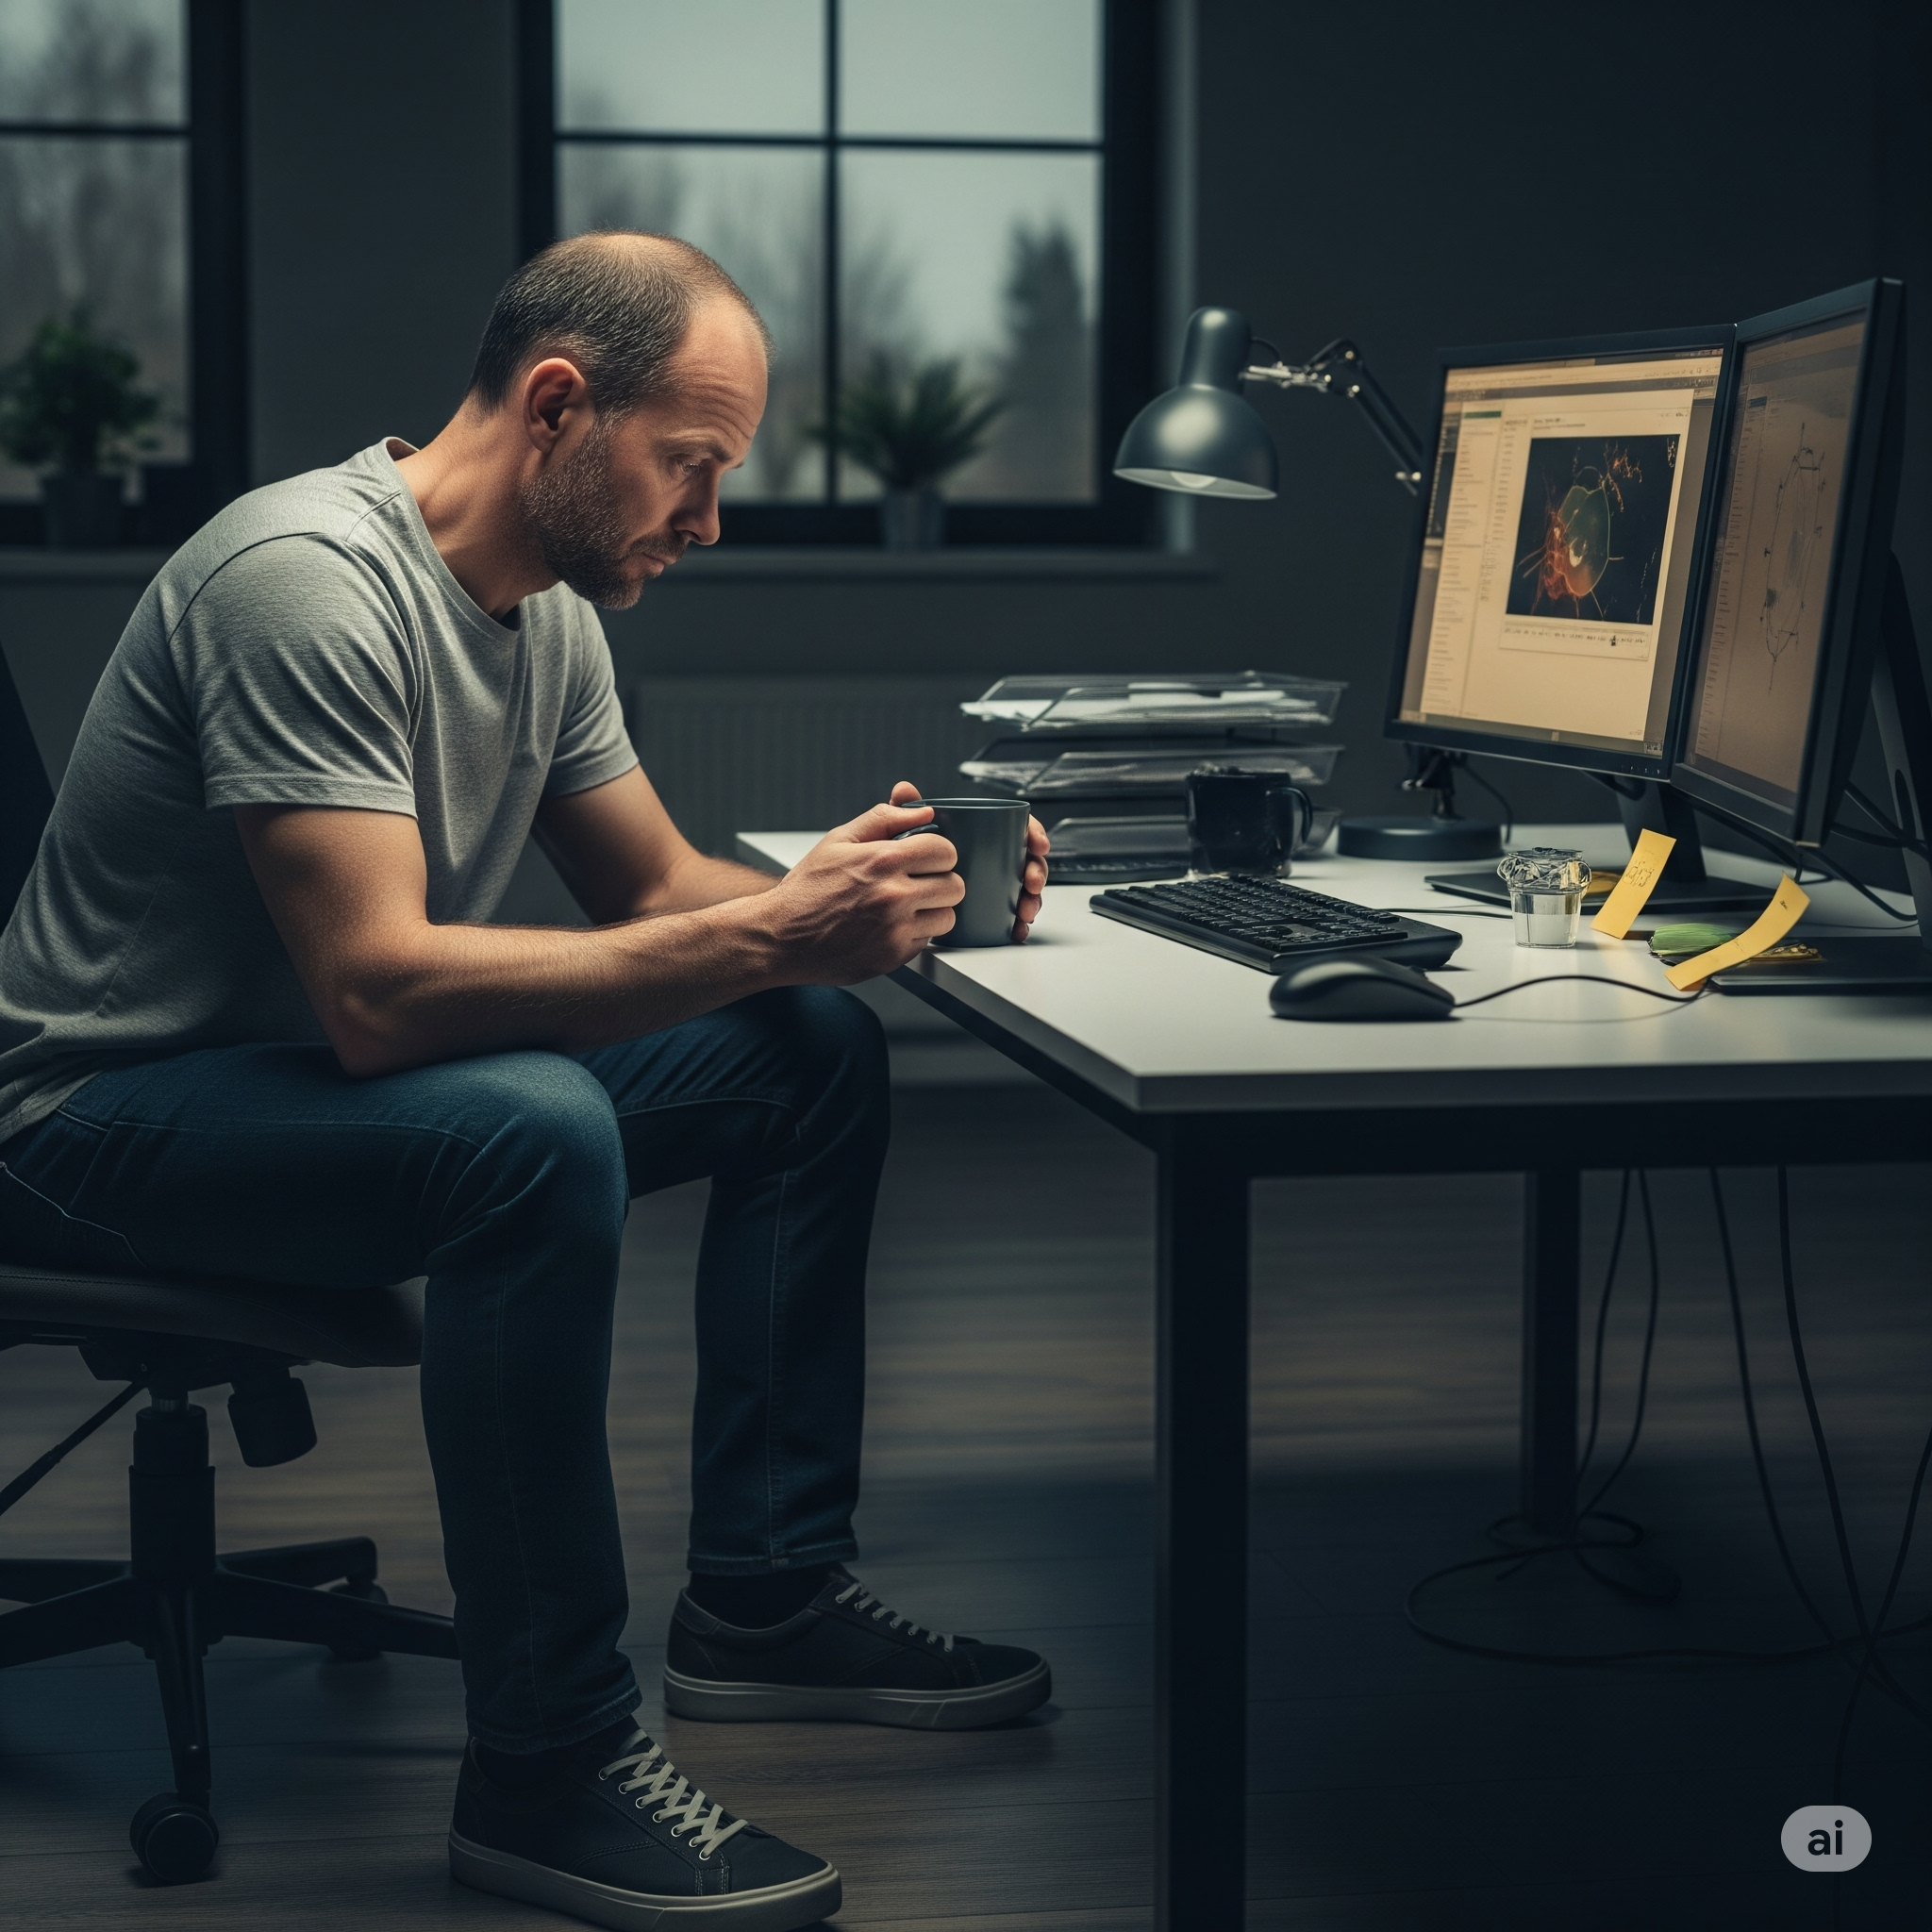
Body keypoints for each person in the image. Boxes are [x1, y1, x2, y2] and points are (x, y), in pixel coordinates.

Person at [0, 231, 1052, 1930]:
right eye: (691, 464)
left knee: (805, 1050)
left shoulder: (545, 614)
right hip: (90, 1125)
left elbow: (657, 890)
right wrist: (773, 933)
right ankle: (545, 1762)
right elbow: (377, 998)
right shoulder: (303, 580)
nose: (709, 520)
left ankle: (767, 1599)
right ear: (558, 407)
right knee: (533, 1129)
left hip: (291, 1089)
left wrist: (871, 897)